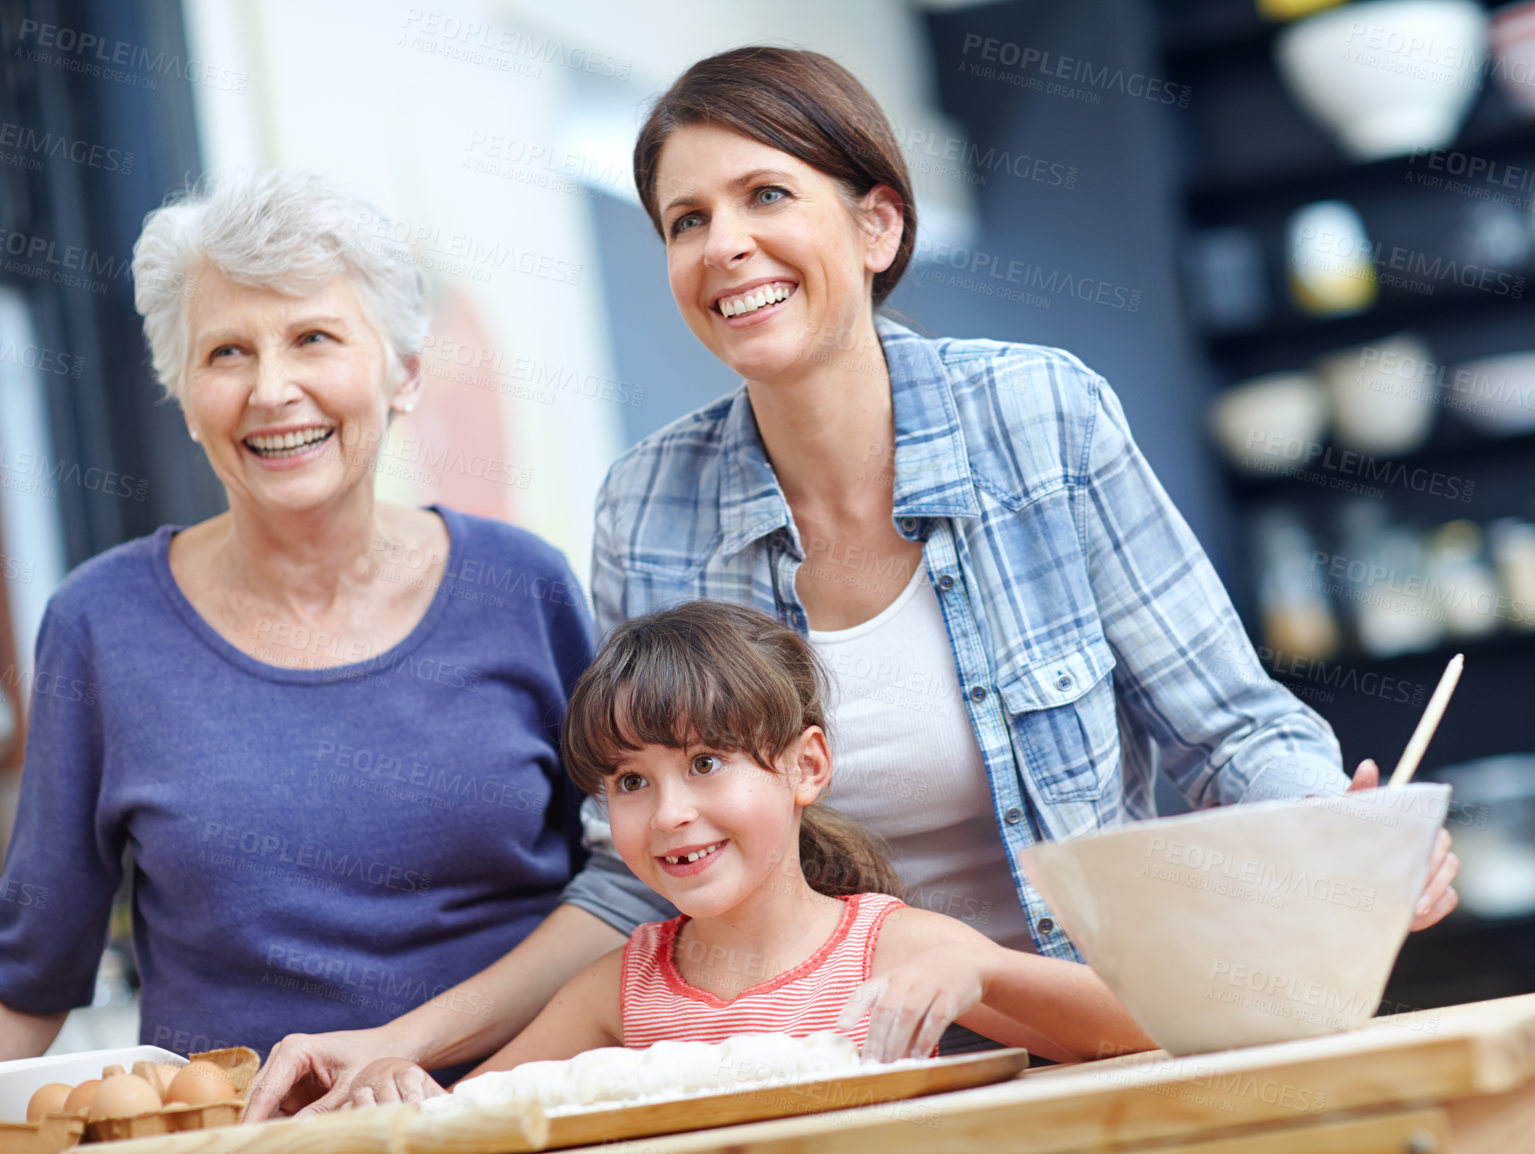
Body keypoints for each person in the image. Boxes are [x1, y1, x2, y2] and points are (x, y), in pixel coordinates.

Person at [247, 46, 1458, 1114]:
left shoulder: (1037, 416)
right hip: (838, 1075)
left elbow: (1224, 728)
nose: (724, 245)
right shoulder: (649, 503)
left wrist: (1340, 843)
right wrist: (404, 1044)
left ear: (875, 226)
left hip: (1104, 1035)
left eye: (766, 194)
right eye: (685, 218)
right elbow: (635, 868)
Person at [0, 171, 603, 1068]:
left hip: (524, 1115)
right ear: (182, 389)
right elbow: (33, 971)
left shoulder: (523, 590)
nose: (272, 389)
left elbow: (631, 889)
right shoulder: (101, 623)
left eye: (313, 338)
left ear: (404, 375)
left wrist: (402, 1056)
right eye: (226, 353)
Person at [346, 601, 1153, 1104]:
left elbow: (1146, 1035)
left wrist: (989, 971)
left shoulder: (890, 949)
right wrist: (405, 1089)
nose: (669, 814)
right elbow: (476, 1118)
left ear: (807, 767)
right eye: (630, 782)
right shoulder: (620, 991)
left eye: (705, 764)